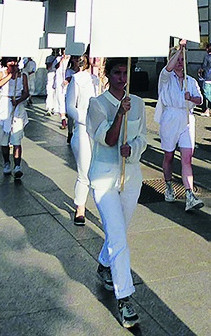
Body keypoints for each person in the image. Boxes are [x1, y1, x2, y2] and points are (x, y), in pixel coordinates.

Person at [87, 57, 146, 329]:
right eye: (117, 72)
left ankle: (103, 264)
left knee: (118, 230)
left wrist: (132, 149)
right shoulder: (96, 105)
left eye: (126, 72)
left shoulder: (140, 104)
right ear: (108, 75)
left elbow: (142, 139)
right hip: (103, 179)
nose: (122, 77)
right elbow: (109, 140)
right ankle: (125, 298)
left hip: (130, 177)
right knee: (119, 237)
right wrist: (120, 114)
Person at [155, 40, 204, 212]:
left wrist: (191, 98)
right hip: (170, 117)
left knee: (187, 157)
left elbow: (200, 100)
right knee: (169, 156)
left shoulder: (190, 81)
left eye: (183, 60)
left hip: (187, 118)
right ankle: (168, 185)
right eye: (177, 60)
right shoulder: (165, 78)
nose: (180, 64)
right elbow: (168, 68)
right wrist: (181, 48)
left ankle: (190, 194)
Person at [66, 52, 101, 226]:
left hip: (100, 131)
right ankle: (80, 208)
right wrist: (86, 117)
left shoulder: (100, 80)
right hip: (83, 130)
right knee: (85, 171)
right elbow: (70, 107)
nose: (98, 61)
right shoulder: (77, 79)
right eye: (95, 57)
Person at [0, 57, 29, 178]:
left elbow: (26, 92)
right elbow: (0, 83)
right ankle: (6, 162)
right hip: (4, 105)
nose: (13, 63)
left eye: (14, 61)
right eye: (10, 61)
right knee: (4, 139)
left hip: (17, 106)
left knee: (16, 137)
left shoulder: (22, 76)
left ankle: (17, 166)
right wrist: (11, 75)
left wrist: (18, 101)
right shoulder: (1, 73)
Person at [54, 48, 70, 129]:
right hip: (60, 83)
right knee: (60, 100)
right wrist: (61, 60)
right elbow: (56, 67)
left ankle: (69, 117)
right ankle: (63, 120)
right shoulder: (58, 59)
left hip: (68, 83)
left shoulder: (71, 59)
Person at [45, 49, 58, 114]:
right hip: (51, 74)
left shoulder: (60, 58)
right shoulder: (49, 58)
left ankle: (55, 108)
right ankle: (49, 107)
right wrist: (54, 60)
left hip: (58, 75)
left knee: (57, 92)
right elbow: (48, 67)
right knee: (50, 91)